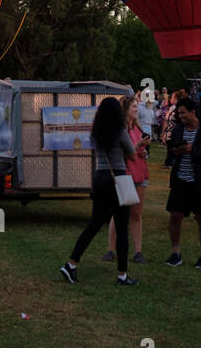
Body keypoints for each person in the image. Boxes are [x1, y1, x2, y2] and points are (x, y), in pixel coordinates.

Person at [60, 96, 139, 287]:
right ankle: (122, 275)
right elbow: (133, 156)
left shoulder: (96, 133)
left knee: (94, 224)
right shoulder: (120, 131)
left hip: (100, 177)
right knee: (121, 228)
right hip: (117, 178)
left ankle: (71, 263)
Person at [165, 97, 201, 268]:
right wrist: (175, 150)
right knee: (175, 216)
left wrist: (193, 149)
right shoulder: (178, 131)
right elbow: (171, 153)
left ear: (193, 112)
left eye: (183, 113)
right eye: (178, 113)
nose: (180, 116)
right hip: (180, 180)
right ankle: (175, 253)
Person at [103, 95, 149, 265]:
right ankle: (111, 250)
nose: (137, 110)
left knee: (136, 214)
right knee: (118, 213)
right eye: (134, 107)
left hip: (140, 173)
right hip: (125, 175)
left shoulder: (138, 128)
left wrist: (144, 152)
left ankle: (138, 252)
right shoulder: (119, 130)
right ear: (125, 110)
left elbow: (139, 151)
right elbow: (120, 155)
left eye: (137, 107)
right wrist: (136, 148)